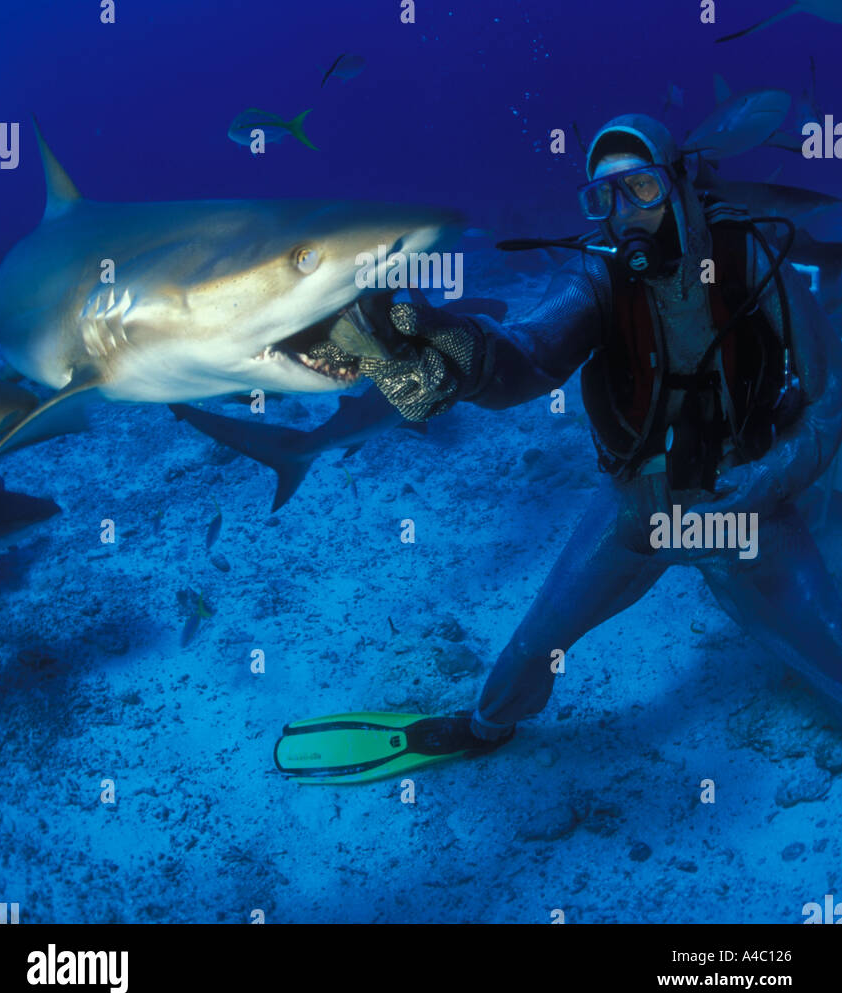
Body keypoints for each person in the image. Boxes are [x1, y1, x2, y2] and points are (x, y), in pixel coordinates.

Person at [351, 114, 842, 752]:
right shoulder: (596, 276)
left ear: (681, 182)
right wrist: (458, 351)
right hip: (638, 504)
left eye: (641, 189)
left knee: (831, 651)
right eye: (602, 197)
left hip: (746, 505)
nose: (625, 213)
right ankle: (487, 726)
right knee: (534, 643)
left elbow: (826, 404)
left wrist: (765, 483)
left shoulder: (750, 257)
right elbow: (527, 356)